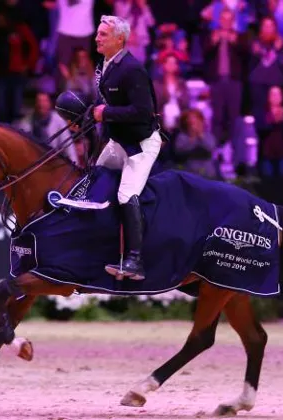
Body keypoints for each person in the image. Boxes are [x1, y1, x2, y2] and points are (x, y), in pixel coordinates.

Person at [92, 15, 162, 280]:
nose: (97, 38)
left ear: (119, 39)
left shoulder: (132, 69)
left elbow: (143, 112)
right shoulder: (105, 65)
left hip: (141, 144)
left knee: (125, 194)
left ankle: (134, 261)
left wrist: (106, 114)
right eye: (98, 33)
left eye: (103, 35)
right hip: (119, 142)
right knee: (94, 180)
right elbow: (103, 105)